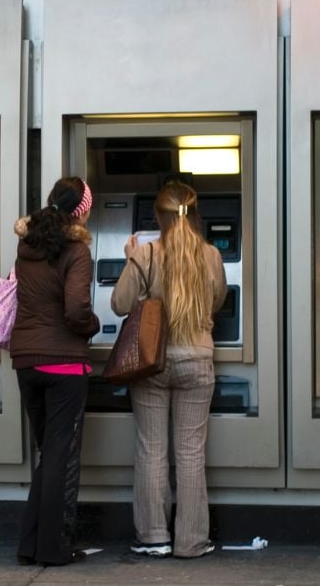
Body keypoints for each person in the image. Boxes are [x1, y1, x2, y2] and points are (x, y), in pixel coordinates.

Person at [112, 181, 226, 560]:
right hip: (197, 359)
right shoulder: (210, 255)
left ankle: (153, 537)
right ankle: (191, 541)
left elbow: (119, 303)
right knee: (191, 453)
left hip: (152, 362)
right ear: (195, 215)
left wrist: (131, 259)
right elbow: (218, 301)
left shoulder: (145, 253)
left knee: (151, 450)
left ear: (158, 216)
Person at [9, 177, 100, 566]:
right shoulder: (76, 250)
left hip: (27, 360)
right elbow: (76, 308)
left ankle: (30, 545)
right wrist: (93, 325)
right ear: (82, 211)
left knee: (49, 455)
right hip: (63, 364)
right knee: (61, 459)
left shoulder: (26, 245)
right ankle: (55, 548)